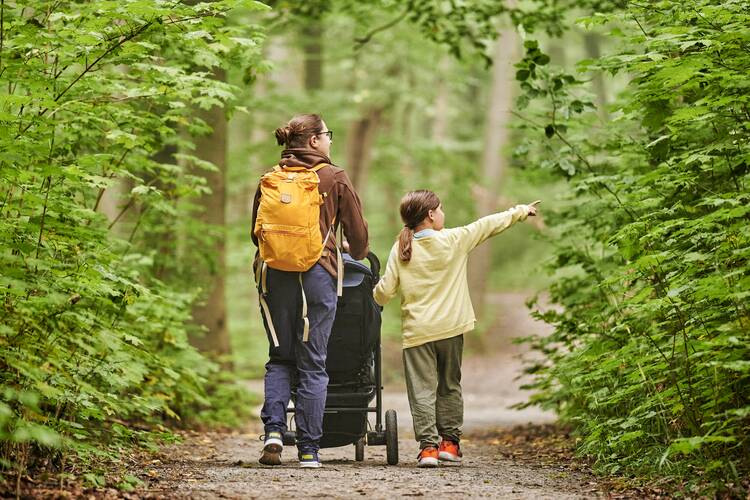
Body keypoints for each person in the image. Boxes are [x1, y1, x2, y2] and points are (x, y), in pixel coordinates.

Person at [373, 190, 539, 468]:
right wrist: (520, 211)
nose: (443, 214)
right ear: (430, 214)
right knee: (449, 385)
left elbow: (385, 292)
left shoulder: (401, 248)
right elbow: (487, 225)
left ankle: (428, 449)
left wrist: (374, 292)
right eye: (441, 209)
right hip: (451, 328)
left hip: (417, 332)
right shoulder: (454, 239)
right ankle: (449, 444)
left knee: (422, 390)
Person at [251, 114, 369, 468]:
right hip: (318, 275)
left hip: (275, 277)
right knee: (313, 363)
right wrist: (350, 250)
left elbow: (255, 234)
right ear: (315, 141)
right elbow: (359, 239)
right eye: (327, 135)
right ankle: (308, 449)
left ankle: (273, 431)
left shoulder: (271, 178)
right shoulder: (333, 177)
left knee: (280, 356)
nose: (330, 141)